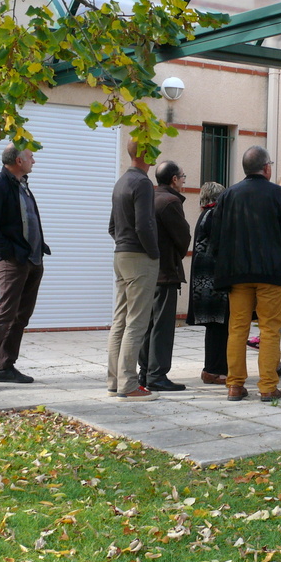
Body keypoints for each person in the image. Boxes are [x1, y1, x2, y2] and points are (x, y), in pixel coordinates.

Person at [210, 146, 281, 402]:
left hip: (236, 273)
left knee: (237, 329)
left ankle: (235, 385)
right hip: (272, 272)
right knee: (270, 329)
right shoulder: (280, 195)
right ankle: (267, 386)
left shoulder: (228, 195)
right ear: (266, 168)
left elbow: (214, 237)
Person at [0, 145, 50, 393]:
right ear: (18, 160)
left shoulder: (21, 184)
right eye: (30, 157)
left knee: (20, 316)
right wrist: (10, 253)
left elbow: (27, 219)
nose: (33, 161)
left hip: (33, 260)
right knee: (4, 313)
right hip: (13, 261)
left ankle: (5, 367)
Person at [107, 139, 160, 400]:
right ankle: (128, 384)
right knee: (137, 322)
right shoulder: (142, 183)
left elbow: (112, 227)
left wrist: (123, 244)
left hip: (121, 254)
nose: (155, 154)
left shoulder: (121, 182)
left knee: (120, 319)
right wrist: (154, 253)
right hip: (139, 256)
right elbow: (144, 225)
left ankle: (115, 380)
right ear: (142, 153)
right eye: (151, 149)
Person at [137, 161, 191, 392]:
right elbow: (183, 238)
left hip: (146, 272)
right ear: (174, 180)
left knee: (146, 325)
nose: (184, 181)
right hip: (165, 272)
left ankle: (145, 372)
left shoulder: (148, 197)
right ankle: (157, 375)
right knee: (162, 326)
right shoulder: (170, 202)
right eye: (183, 177)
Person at [186, 182, 228, 385]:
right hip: (213, 280)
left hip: (203, 278)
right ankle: (214, 370)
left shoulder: (204, 214)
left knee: (214, 326)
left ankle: (211, 369)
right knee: (218, 326)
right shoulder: (215, 215)